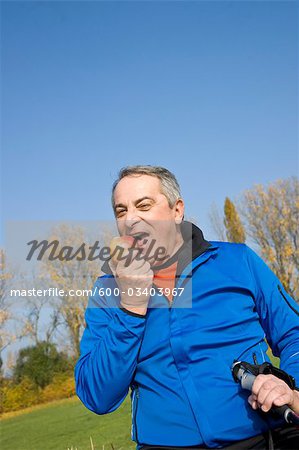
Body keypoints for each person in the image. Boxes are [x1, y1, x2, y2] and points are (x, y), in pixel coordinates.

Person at [75, 166, 299, 450]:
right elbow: (97, 395)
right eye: (121, 211)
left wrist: (291, 388)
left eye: (144, 205)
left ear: (176, 210)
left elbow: (293, 334)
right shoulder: (108, 290)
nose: (131, 219)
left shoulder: (237, 260)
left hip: (261, 438)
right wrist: (130, 308)